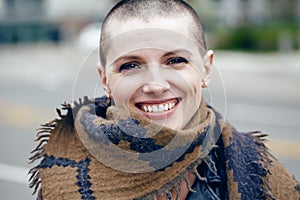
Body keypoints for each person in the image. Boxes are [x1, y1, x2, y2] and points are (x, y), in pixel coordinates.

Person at [29, 0, 300, 199]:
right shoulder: (62, 172)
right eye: (130, 66)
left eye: (175, 61)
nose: (156, 86)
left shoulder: (260, 173)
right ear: (105, 80)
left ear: (205, 69)